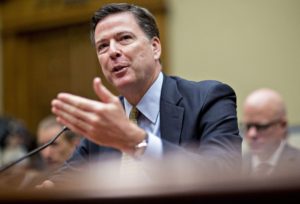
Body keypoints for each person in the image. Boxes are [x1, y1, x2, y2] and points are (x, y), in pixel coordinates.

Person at [38, 3, 241, 189]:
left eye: (124, 38)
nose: (113, 52)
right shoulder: (105, 118)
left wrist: (135, 141)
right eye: (103, 46)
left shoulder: (208, 98)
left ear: (155, 47)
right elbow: (63, 183)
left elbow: (224, 172)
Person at [242, 88, 300, 178]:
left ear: (283, 125)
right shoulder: (235, 166)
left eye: (262, 126)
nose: (251, 134)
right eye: (248, 126)